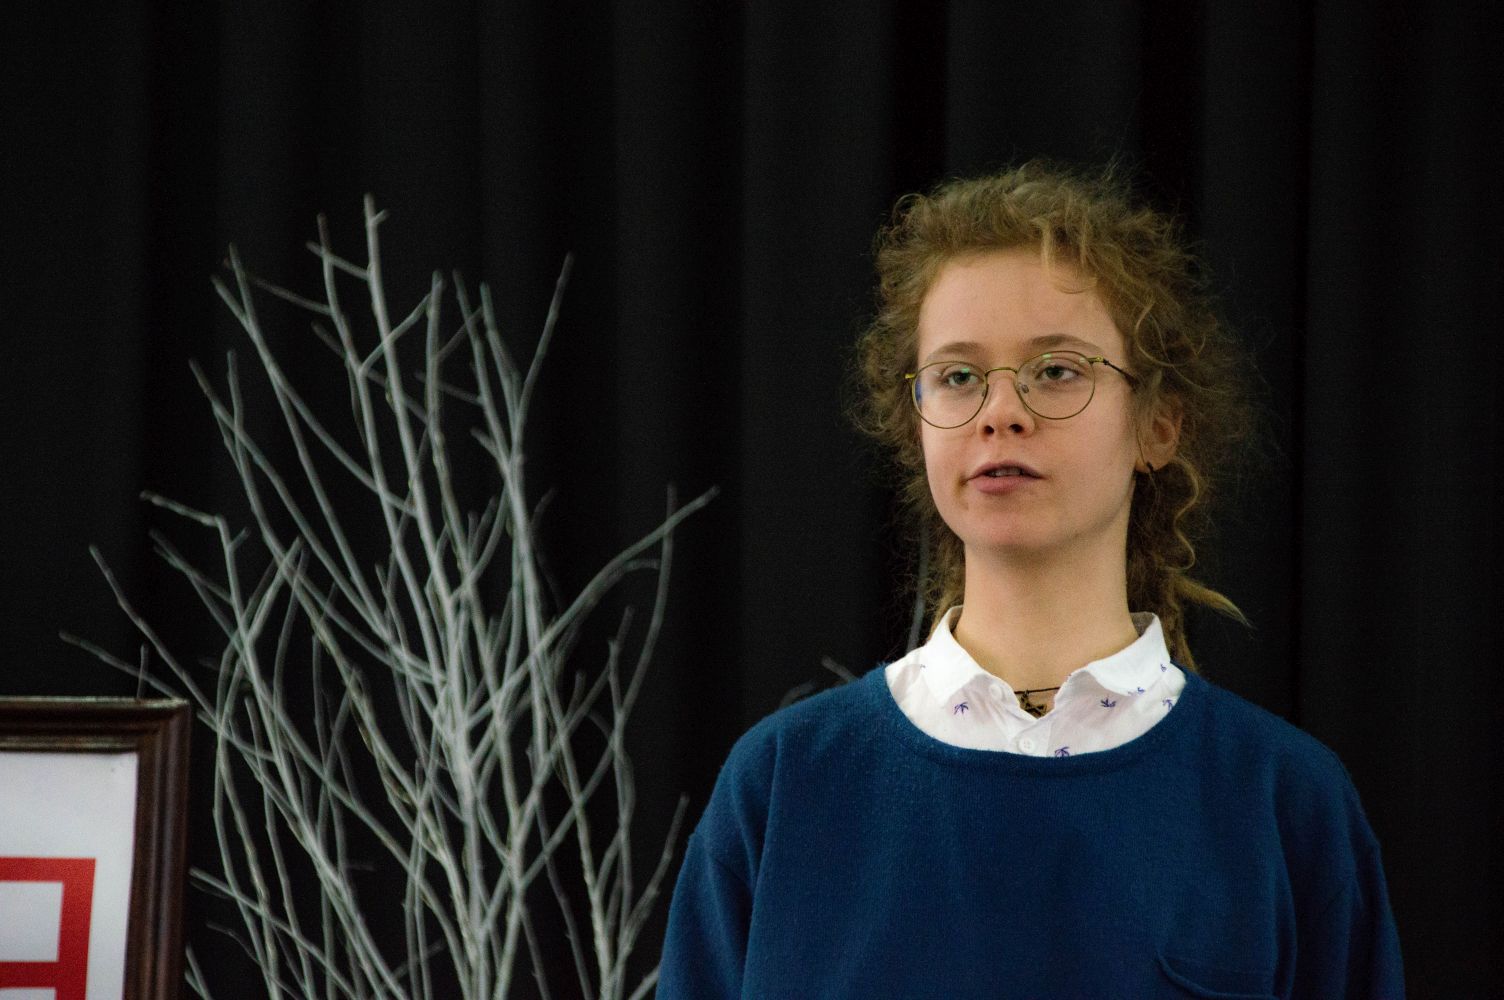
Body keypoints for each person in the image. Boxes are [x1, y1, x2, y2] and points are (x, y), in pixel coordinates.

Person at [656, 162, 1404, 998]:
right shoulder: (783, 786)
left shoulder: (1284, 803)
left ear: (1158, 423)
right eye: (958, 376)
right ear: (916, 425)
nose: (1000, 412)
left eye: (1056, 370)